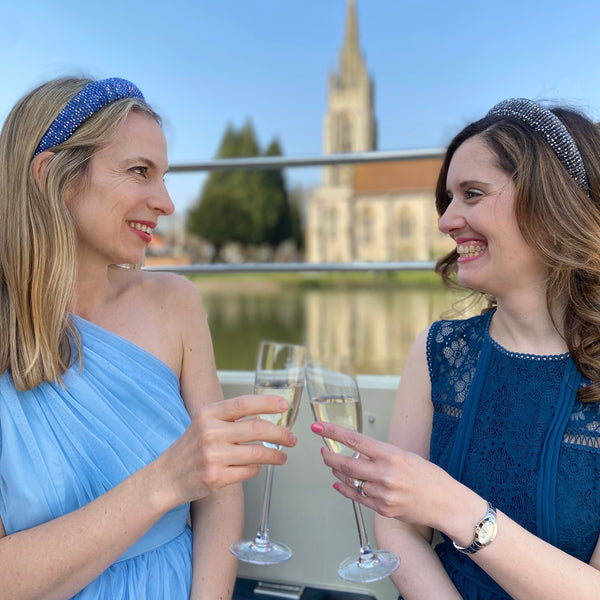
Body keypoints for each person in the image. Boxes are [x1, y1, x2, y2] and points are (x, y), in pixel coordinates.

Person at [0, 76, 298, 600]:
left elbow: (219, 493)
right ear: (52, 176)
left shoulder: (176, 303)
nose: (166, 203)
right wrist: (164, 482)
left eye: (164, 177)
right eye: (140, 171)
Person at [311, 98, 600, 599]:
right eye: (448, 199)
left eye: (472, 194)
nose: (446, 221)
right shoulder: (439, 350)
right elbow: (397, 528)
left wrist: (454, 507)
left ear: (550, 202)